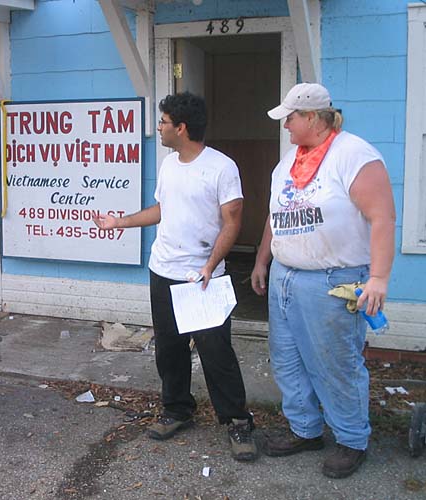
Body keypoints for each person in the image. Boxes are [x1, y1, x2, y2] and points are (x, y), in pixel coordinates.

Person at [95, 92, 258, 462]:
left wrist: (210, 264)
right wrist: (119, 222)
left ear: (181, 128)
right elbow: (162, 209)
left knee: (216, 352)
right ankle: (178, 409)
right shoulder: (169, 165)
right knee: (169, 349)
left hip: (203, 278)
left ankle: (237, 421)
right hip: (163, 270)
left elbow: (233, 222)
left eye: (164, 122)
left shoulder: (222, 167)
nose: (159, 128)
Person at [251, 83, 396, 478]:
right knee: (288, 359)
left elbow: (383, 217)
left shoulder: (354, 155)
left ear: (313, 118)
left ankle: (351, 439)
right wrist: (262, 260)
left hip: (332, 280)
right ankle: (305, 429)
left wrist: (379, 278)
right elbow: (276, 215)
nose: (285, 126)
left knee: (336, 363)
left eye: (290, 118)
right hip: (285, 275)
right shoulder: (288, 161)